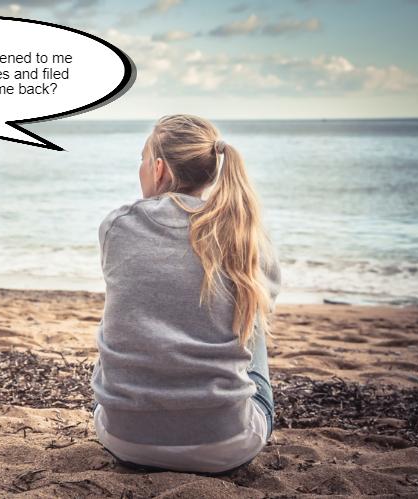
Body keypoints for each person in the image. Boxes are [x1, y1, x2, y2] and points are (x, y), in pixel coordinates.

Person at [90, 114, 281, 475]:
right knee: (250, 319)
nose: (142, 169)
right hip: (228, 446)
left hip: (124, 439)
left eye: (143, 160)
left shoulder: (117, 225)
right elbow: (263, 306)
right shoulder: (245, 233)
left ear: (159, 169)